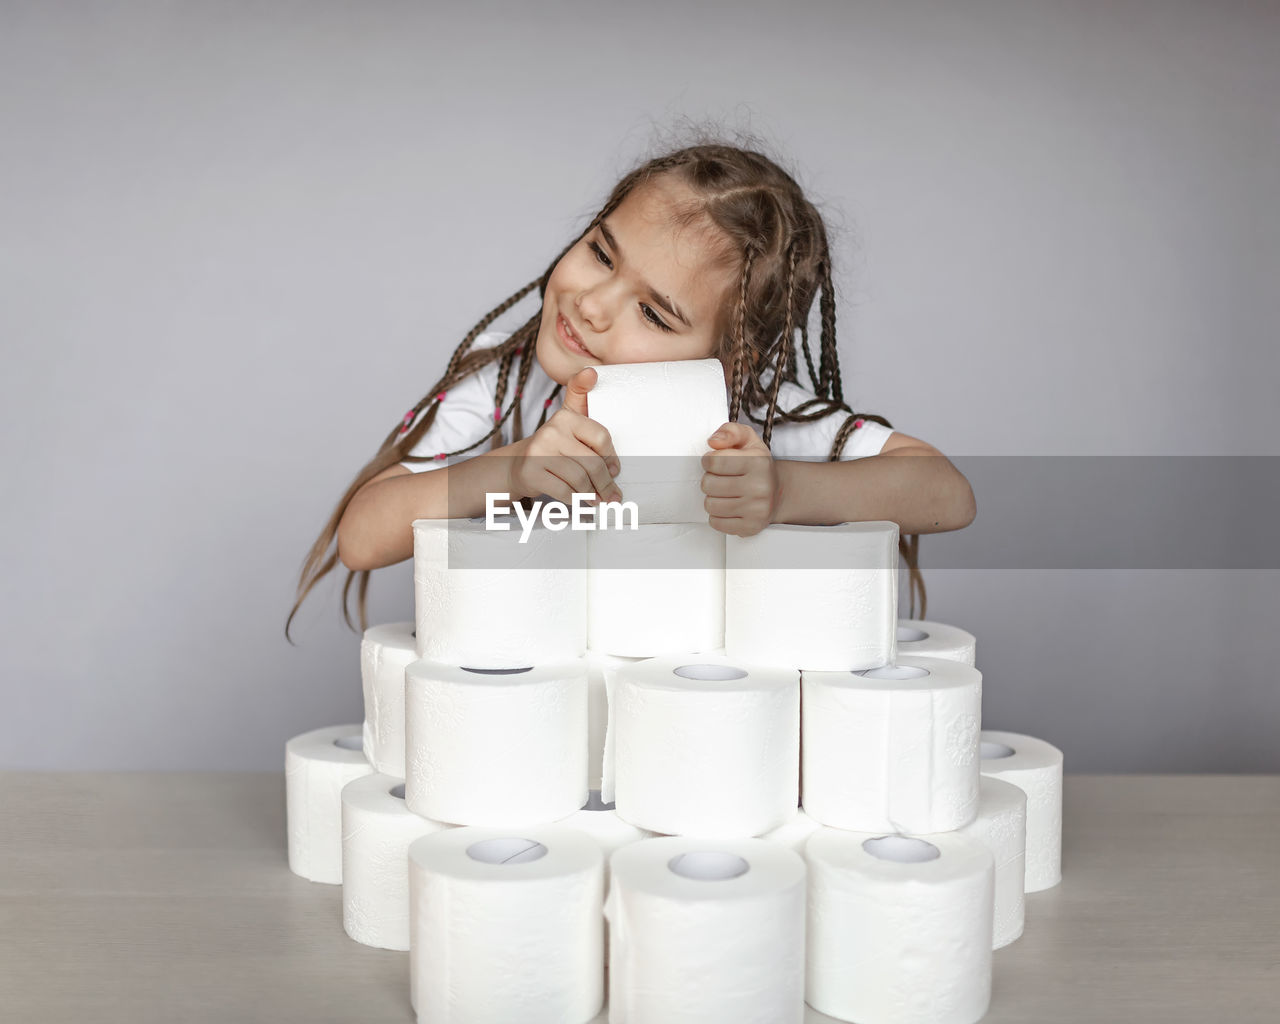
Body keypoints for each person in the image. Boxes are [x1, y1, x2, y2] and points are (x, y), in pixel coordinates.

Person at [285, 140, 975, 643]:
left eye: (654, 312)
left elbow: (946, 495)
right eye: (601, 253)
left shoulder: (758, 418)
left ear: (732, 360)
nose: (592, 304)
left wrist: (786, 492)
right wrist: (510, 470)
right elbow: (363, 536)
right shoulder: (506, 392)